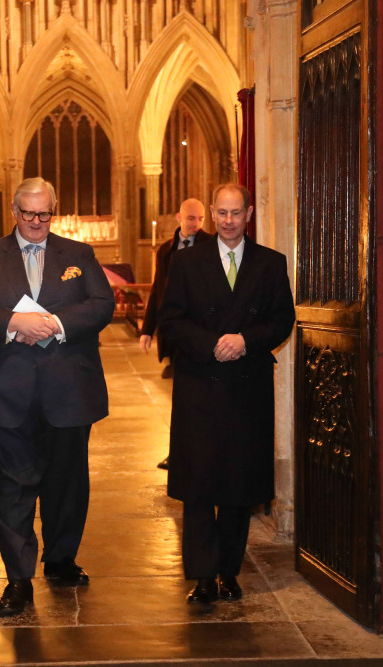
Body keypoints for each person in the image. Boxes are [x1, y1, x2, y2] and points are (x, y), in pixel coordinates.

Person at [0, 177, 116, 617]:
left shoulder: (78, 255)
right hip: (4, 392)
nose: (37, 222)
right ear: (14, 211)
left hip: (68, 391)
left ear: (54, 210)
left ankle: (61, 560)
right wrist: (13, 322)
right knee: (12, 484)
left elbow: (102, 304)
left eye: (45, 214)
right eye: (28, 214)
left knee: (67, 482)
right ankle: (18, 579)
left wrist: (57, 324)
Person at [158, 183, 295, 604]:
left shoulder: (270, 263)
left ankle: (229, 570)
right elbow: (172, 318)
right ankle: (202, 575)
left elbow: (281, 320)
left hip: (246, 387)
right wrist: (212, 343)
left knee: (238, 485)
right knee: (200, 484)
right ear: (213, 214)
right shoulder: (186, 262)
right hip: (200, 384)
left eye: (237, 213)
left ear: (249, 213)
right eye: (223, 213)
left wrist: (245, 341)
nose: (230, 220)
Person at [138, 198, 212, 470]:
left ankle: (201, 453)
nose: (196, 224)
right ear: (179, 217)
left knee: (201, 397)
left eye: (201, 219)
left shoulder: (210, 245)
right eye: (191, 218)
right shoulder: (166, 250)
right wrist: (148, 329)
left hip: (202, 334)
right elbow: (159, 289)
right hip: (176, 334)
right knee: (179, 397)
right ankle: (179, 452)